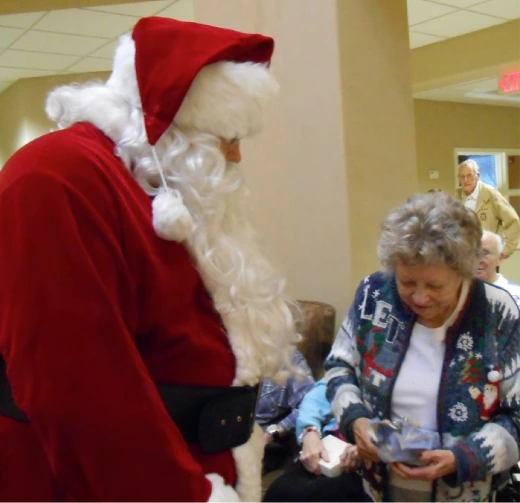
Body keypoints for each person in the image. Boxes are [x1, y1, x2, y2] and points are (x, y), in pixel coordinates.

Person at [0, 17, 299, 503]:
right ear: (178, 126)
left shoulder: (157, 190)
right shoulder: (60, 176)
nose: (236, 157)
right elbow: (76, 382)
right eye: (230, 137)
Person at [325, 192, 520, 503]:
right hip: (379, 491)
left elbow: (517, 414)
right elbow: (339, 368)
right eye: (407, 282)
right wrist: (356, 421)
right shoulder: (374, 294)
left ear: (464, 271)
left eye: (434, 286)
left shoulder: (497, 313)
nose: (419, 298)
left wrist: (465, 458)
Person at [263, 379, 364, 503]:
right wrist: (310, 431)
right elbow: (314, 399)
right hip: (329, 446)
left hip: (364, 460)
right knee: (278, 492)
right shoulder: (346, 367)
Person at [255, 349, 315, 475]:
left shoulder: (290, 359)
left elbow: (309, 405)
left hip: (267, 444)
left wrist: (273, 433)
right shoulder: (225, 352)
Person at [455, 159, 520, 258]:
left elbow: (513, 221)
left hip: (487, 256)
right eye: (462, 177)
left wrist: (506, 250)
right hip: (465, 256)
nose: (466, 180)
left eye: (469, 176)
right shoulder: (457, 195)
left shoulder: (490, 193)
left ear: (478, 176)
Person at [476, 230, 520, 307]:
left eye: (485, 253)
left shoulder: (514, 296)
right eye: (473, 253)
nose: (478, 260)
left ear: (500, 258)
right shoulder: (458, 294)